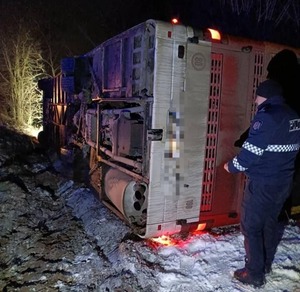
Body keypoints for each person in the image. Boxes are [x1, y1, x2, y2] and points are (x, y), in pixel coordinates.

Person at [224, 79, 300, 287]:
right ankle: (264, 264)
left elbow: (250, 154)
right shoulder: (293, 116)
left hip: (263, 183)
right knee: (268, 223)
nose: (255, 100)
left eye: (257, 96)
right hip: (283, 183)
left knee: (251, 226)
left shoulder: (266, 117)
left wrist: (231, 166)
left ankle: (254, 273)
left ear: (264, 96)